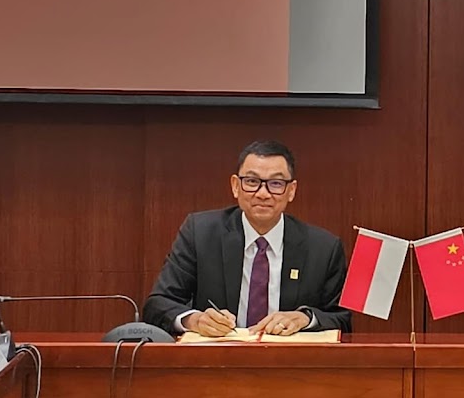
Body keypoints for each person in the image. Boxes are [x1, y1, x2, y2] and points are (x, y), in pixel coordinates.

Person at [143, 140, 351, 336]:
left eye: (276, 183)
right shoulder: (200, 233)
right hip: (218, 356)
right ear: (235, 186)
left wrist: (305, 318)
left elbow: (341, 319)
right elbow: (158, 304)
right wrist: (194, 320)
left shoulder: (323, 248)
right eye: (252, 181)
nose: (263, 194)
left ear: (291, 191)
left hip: (289, 359)